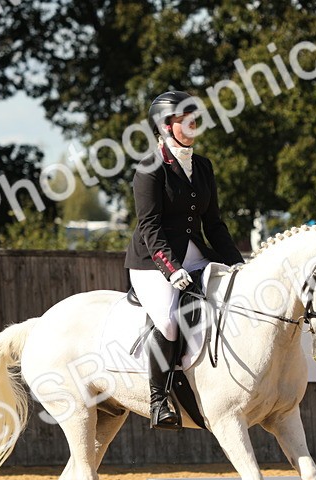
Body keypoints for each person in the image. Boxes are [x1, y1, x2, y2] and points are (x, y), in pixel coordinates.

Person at [124, 90, 245, 430]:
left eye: (195, 118)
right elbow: (150, 226)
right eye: (185, 119)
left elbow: (214, 224)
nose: (193, 124)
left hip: (195, 256)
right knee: (168, 322)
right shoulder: (149, 169)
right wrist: (171, 268)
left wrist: (237, 263)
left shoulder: (203, 166)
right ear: (166, 126)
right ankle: (159, 399)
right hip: (152, 262)